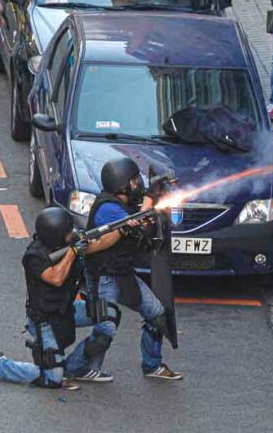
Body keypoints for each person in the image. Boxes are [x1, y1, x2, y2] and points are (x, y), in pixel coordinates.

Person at [0, 207, 123, 389]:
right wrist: (73, 252)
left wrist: (121, 230)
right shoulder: (34, 256)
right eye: (68, 232)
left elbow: (97, 245)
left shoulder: (67, 245)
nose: (72, 234)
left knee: (109, 313)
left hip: (67, 308)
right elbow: (56, 278)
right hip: (44, 319)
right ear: (57, 236)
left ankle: (75, 367)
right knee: (52, 379)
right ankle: (1, 365)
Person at [80, 157, 182, 380]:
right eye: (135, 181)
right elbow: (135, 224)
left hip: (122, 271)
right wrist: (150, 198)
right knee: (105, 329)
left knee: (156, 315)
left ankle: (152, 365)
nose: (139, 184)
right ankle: (81, 368)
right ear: (122, 184)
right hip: (104, 276)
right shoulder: (108, 208)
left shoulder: (121, 203)